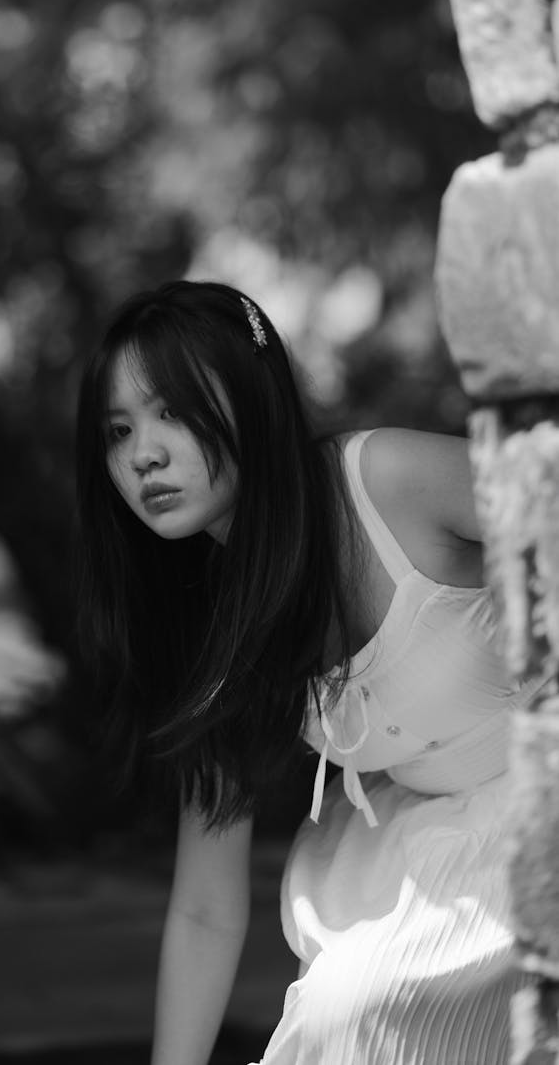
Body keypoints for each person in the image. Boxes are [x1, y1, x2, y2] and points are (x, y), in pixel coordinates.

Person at [74, 279, 551, 1065]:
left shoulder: (383, 481)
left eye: (171, 412)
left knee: (363, 1012)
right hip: (434, 847)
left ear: (251, 400)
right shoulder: (205, 623)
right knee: (343, 1018)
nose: (143, 455)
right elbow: (205, 908)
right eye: (117, 431)